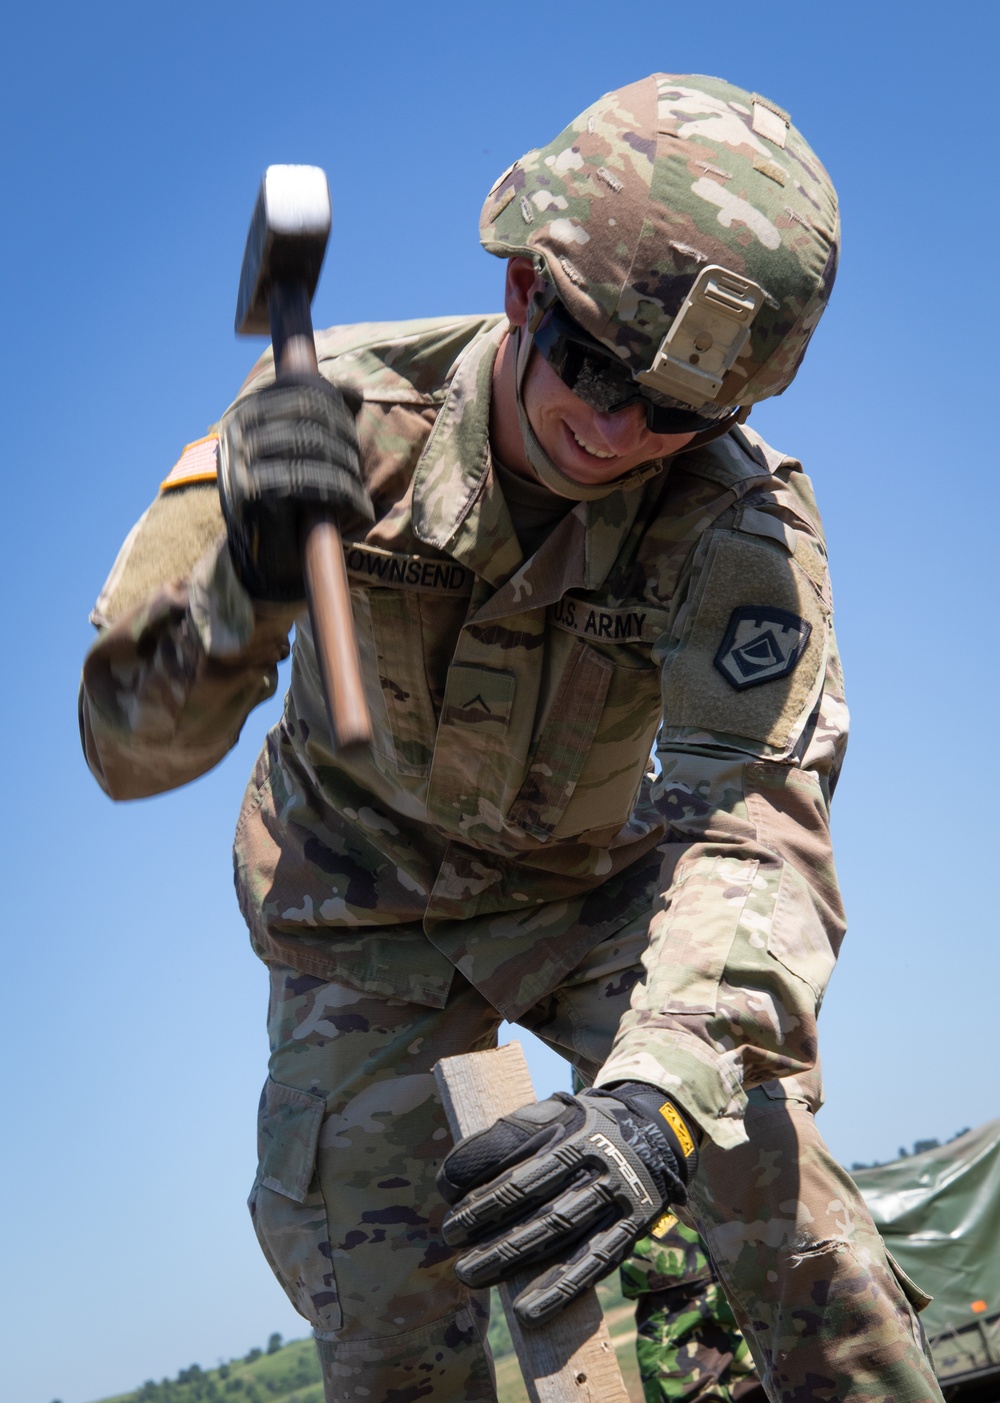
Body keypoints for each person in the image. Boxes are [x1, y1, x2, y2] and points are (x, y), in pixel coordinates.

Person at [80, 74, 942, 1403]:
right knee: (380, 1325)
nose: (614, 433)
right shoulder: (329, 423)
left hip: (593, 893)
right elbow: (129, 753)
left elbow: (757, 836)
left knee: (793, 1209)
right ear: (525, 293)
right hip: (355, 918)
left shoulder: (738, 528)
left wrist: (655, 1104)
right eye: (595, 368)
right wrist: (242, 580)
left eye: (673, 413)